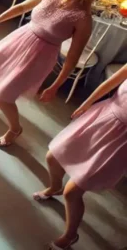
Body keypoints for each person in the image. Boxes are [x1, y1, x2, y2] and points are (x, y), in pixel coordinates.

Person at [0, 0, 95, 147]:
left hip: (40, 55)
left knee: (4, 96)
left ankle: (15, 129)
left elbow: (73, 57)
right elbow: (21, 7)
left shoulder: (83, 18)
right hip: (21, 38)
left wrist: (55, 86)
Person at [34, 61, 127, 250]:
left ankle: (70, 236)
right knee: (53, 156)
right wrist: (88, 103)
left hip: (122, 140)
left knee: (73, 191)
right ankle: (54, 187)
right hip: (104, 117)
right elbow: (111, 82)